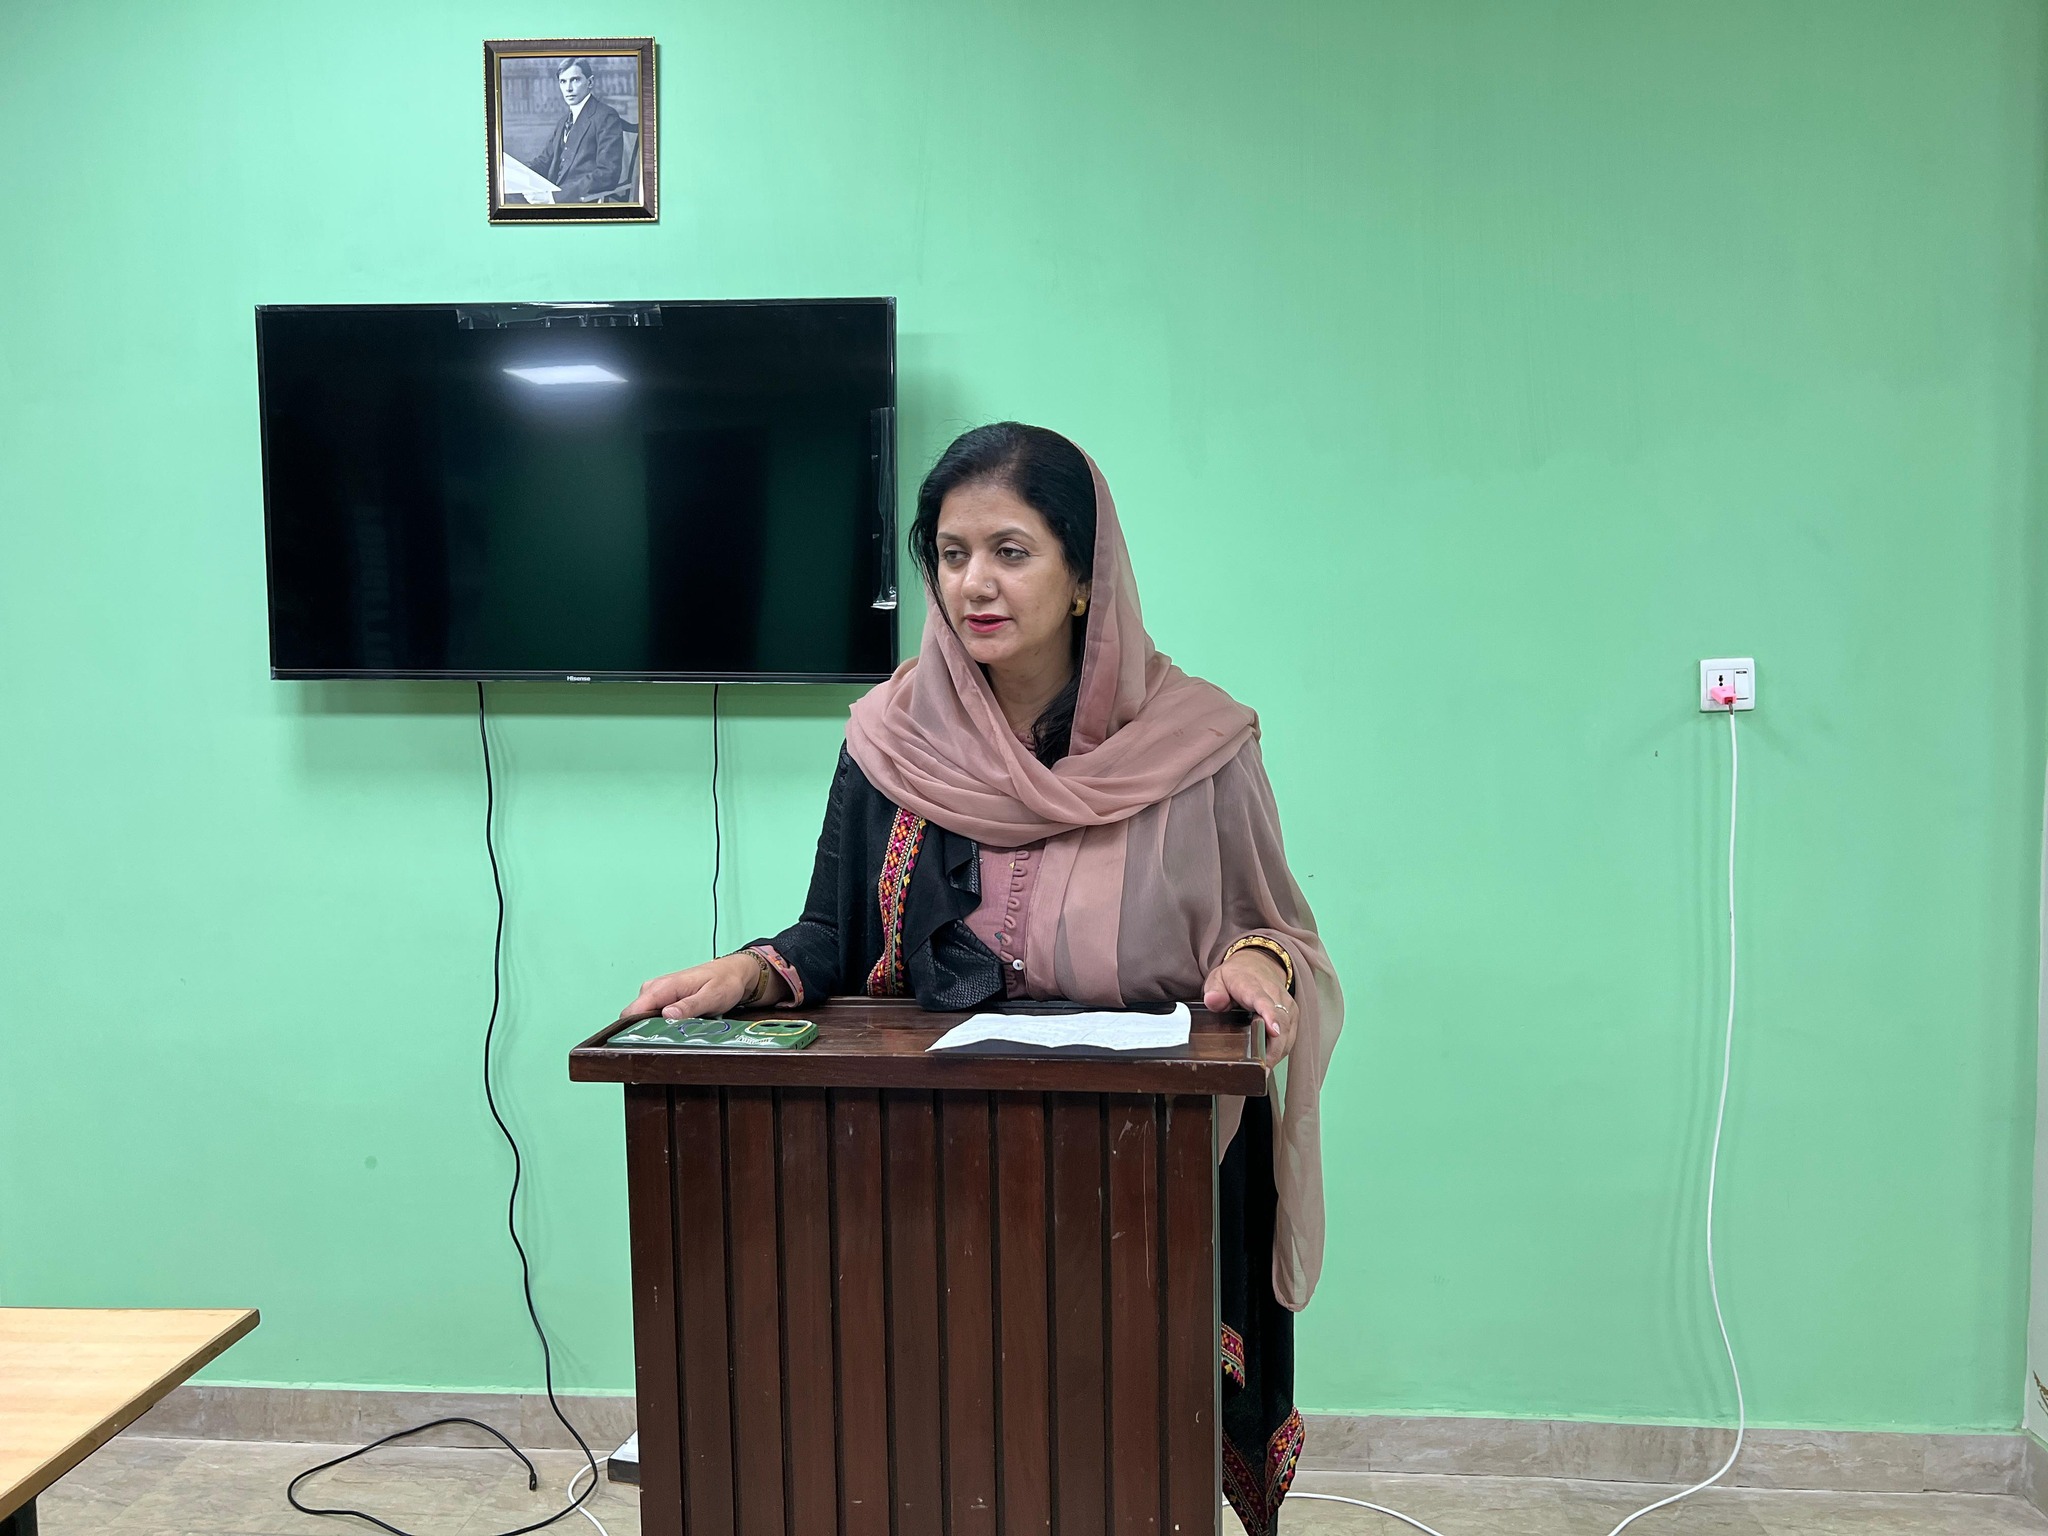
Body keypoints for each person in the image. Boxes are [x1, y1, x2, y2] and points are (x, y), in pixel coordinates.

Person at [621, 422, 1341, 1536]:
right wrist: (748, 972)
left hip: (1138, 1174)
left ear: (1084, 577)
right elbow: (832, 931)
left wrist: (1255, 966)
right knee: (925, 1443)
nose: (974, 584)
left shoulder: (1196, 743)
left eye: (1010, 552)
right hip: (921, 1165)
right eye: (952, 555)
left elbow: (1267, 928)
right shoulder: (891, 740)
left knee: (1109, 1462)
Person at [522, 57, 627, 203]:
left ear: (590, 82)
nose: (568, 88)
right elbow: (545, 161)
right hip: (556, 194)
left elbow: (607, 173)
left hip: (581, 201)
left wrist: (553, 197)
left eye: (575, 80)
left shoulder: (606, 116)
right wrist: (518, 172)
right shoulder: (563, 121)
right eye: (563, 81)